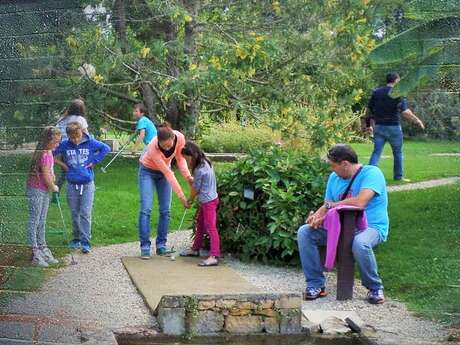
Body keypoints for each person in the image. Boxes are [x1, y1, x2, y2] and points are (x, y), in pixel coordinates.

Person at [297, 144, 388, 304]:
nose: (332, 170)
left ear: (345, 164)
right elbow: (328, 205)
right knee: (305, 232)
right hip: (339, 228)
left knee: (360, 243)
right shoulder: (334, 178)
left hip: (370, 227)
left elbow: (360, 202)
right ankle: (316, 285)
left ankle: (374, 287)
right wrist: (317, 217)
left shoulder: (372, 173)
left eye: (333, 166)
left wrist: (328, 207)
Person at [138, 123, 193, 259]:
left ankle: (161, 246)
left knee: (165, 210)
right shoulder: (152, 146)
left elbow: (180, 159)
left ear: (173, 138)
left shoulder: (179, 138)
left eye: (169, 145)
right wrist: (181, 197)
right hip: (147, 172)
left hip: (164, 173)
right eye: (164, 146)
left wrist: (188, 177)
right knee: (146, 209)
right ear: (158, 141)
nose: (167, 148)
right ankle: (145, 247)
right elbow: (169, 174)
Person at [54, 122, 110, 254]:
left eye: (78, 136)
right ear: (68, 136)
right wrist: (62, 164)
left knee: (85, 213)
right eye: (72, 138)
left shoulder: (90, 142)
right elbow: (50, 153)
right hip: (72, 184)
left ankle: (86, 242)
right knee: (74, 213)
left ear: (81, 133)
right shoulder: (65, 145)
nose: (76, 140)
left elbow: (105, 148)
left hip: (87, 184)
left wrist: (95, 161)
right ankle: (76, 238)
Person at [365, 72, 425, 181]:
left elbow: (368, 111)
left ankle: (368, 177)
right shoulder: (398, 93)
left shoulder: (376, 92)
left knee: (376, 152)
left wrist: (368, 125)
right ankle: (398, 177)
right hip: (394, 127)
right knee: (397, 153)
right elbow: (405, 112)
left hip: (379, 127)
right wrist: (417, 120)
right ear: (396, 80)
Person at [180, 141, 220, 267]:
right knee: (200, 223)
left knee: (210, 227)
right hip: (209, 199)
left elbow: (195, 190)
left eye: (187, 158)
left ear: (193, 155)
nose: (187, 161)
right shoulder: (206, 160)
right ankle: (195, 249)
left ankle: (214, 255)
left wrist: (189, 201)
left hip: (208, 202)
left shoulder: (199, 169)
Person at [26, 126, 62, 267]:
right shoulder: (44, 155)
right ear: (48, 140)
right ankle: (35, 252)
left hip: (43, 190)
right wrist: (54, 186)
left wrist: (51, 181)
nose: (57, 145)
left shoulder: (47, 152)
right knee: (35, 220)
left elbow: (49, 173)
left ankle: (42, 247)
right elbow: (47, 177)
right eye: (55, 142)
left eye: (59, 142)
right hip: (37, 190)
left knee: (42, 220)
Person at [55, 99, 90, 190]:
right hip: (76, 147)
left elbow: (56, 132)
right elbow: (87, 135)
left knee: (65, 171)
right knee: (80, 167)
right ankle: (80, 188)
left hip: (63, 147)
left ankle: (57, 189)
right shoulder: (80, 120)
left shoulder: (62, 119)